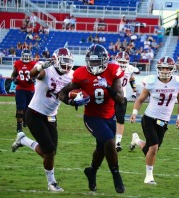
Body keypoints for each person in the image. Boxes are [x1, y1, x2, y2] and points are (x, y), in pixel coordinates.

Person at [58, 44, 125, 193]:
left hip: (109, 116)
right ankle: (116, 175)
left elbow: (121, 100)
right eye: (91, 62)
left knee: (101, 149)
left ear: (105, 61)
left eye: (97, 62)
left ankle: (92, 171)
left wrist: (108, 86)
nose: (93, 65)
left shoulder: (113, 71)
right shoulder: (81, 74)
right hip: (92, 117)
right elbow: (62, 93)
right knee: (109, 141)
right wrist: (70, 101)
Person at [11, 47, 79, 192]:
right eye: (64, 61)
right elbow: (33, 74)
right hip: (35, 113)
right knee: (48, 151)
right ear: (55, 60)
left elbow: (66, 95)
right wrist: (41, 66)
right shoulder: (47, 68)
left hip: (51, 116)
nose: (67, 65)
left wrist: (77, 99)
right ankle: (51, 183)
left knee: (52, 152)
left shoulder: (71, 76)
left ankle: (23, 140)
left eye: (69, 62)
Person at [129, 56, 179, 185]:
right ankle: (149, 177)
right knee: (153, 148)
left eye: (167, 68)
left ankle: (136, 140)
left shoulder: (178, 83)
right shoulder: (151, 81)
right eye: (162, 68)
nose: (165, 70)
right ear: (158, 68)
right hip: (149, 118)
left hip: (163, 121)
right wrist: (134, 113)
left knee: (150, 150)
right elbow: (140, 99)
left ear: (172, 69)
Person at [114, 51, 140, 152]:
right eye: (120, 61)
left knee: (120, 119)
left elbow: (132, 78)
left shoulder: (130, 69)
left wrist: (134, 90)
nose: (122, 64)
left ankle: (118, 142)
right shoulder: (112, 67)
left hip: (122, 96)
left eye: (124, 62)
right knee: (108, 118)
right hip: (111, 96)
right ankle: (109, 139)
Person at [11, 49, 37, 133]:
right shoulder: (18, 63)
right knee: (20, 108)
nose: (26, 58)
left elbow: (38, 75)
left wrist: (33, 79)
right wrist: (14, 80)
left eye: (27, 56)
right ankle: (19, 127)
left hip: (30, 89)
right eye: (24, 56)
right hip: (20, 88)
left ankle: (26, 120)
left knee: (29, 108)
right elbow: (14, 74)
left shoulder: (33, 64)